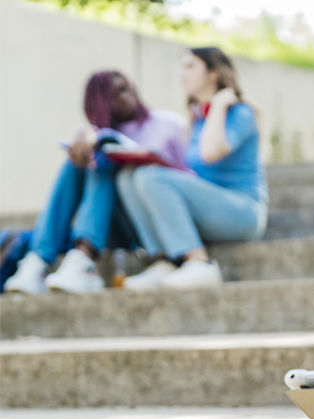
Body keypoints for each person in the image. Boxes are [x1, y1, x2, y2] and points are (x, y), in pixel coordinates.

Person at [3, 71, 186, 294]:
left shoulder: (169, 124)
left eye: (127, 87)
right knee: (80, 161)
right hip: (110, 224)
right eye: (115, 92)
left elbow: (187, 180)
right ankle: (37, 263)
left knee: (103, 161)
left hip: (152, 222)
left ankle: (83, 260)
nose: (126, 94)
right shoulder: (100, 135)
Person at [116, 47, 267, 290]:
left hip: (242, 212)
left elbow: (210, 152)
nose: (181, 73)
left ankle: (200, 263)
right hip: (208, 207)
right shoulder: (197, 119)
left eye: (190, 66)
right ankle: (165, 259)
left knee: (151, 177)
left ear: (213, 74)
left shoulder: (240, 113)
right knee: (128, 177)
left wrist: (218, 106)